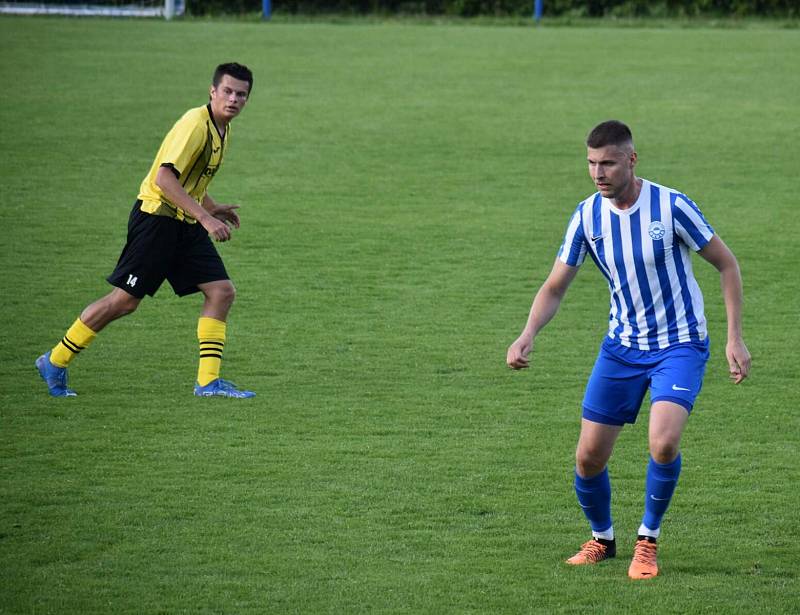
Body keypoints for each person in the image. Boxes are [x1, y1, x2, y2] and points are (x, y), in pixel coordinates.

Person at [506, 120, 751, 579]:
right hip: (622, 348)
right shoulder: (586, 217)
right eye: (592, 164)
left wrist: (734, 336)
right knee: (588, 457)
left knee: (663, 442)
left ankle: (647, 541)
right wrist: (528, 333)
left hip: (679, 343)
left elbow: (727, 264)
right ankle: (602, 538)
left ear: (631, 160)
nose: (599, 173)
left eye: (609, 163)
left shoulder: (671, 206)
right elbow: (556, 286)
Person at [37, 62, 256, 399]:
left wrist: (211, 207)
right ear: (212, 91)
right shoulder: (195, 125)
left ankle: (208, 382)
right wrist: (206, 219)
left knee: (222, 291)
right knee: (124, 302)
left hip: (183, 221)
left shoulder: (223, 129)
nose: (233, 99)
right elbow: (164, 179)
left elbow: (189, 178)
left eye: (241, 94)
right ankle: (55, 360)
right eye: (227, 91)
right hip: (156, 221)